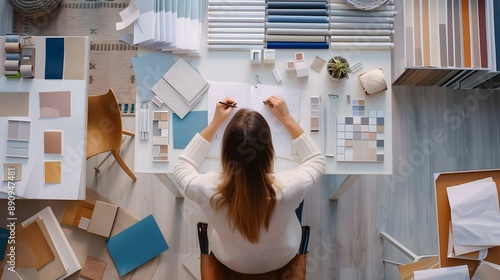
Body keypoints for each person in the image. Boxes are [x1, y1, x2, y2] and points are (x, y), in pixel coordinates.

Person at [174, 95, 325, 274]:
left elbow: (182, 166)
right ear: (269, 152)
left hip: (230, 260)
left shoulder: (206, 189)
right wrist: (286, 118)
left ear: (225, 154)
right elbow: (316, 160)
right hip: (282, 258)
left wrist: (215, 123)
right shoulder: (290, 187)